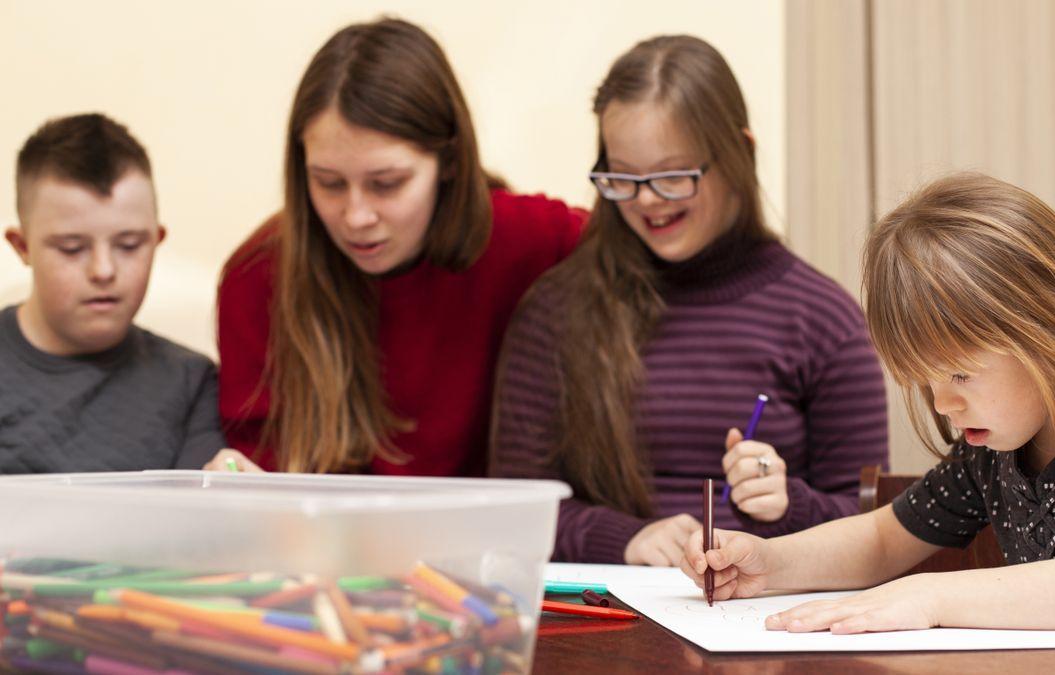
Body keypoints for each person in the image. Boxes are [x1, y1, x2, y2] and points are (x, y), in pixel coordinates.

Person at [680, 173, 1055, 670]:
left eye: (959, 374)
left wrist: (927, 595)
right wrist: (768, 563)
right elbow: (885, 540)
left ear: (1048, 329)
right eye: (924, 381)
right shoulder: (994, 449)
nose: (943, 405)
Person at [490, 35, 888, 565]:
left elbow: (873, 535)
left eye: (673, 176)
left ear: (739, 155)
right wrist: (625, 539)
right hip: (604, 617)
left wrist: (791, 506)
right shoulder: (556, 311)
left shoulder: (823, 320)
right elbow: (515, 512)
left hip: (761, 621)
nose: (648, 200)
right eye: (624, 178)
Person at [213, 18, 583, 475]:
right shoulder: (258, 274)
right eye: (328, 183)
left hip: (491, 540)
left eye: (386, 184)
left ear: (449, 162)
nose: (356, 217)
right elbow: (259, 468)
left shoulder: (526, 236)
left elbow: (649, 252)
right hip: (326, 544)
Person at [1, 113, 226, 472]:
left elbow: (202, 513)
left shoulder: (191, 382)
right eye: (72, 248)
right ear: (22, 246)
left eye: (129, 245)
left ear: (156, 240)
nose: (104, 271)